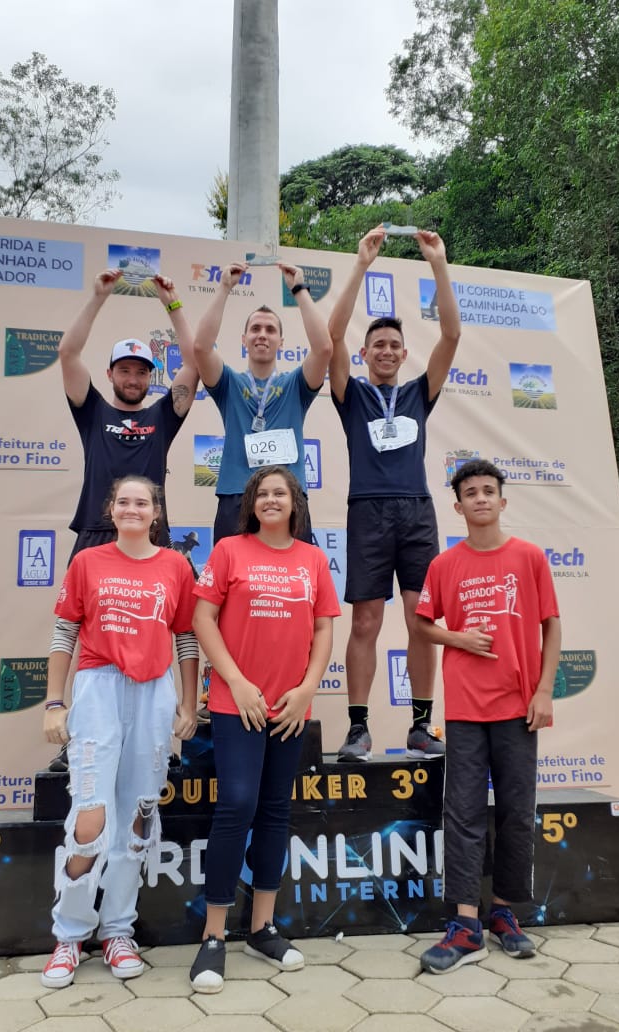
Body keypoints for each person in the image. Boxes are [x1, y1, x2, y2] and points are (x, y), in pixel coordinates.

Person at [40, 474, 199, 989]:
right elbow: (64, 631)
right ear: (111, 510)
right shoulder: (88, 562)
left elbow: (187, 636)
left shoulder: (175, 565)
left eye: (142, 502)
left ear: (156, 513)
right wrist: (54, 702)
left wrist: (188, 702)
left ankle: (117, 931)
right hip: (98, 688)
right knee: (90, 817)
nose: (133, 509)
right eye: (124, 502)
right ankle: (69, 935)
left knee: (138, 817)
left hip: (154, 693)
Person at [188, 466, 340, 993]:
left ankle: (262, 929)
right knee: (236, 805)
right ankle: (213, 937)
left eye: (280, 492)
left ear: (295, 503)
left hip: (289, 707)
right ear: (250, 503)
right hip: (237, 703)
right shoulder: (229, 550)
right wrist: (235, 682)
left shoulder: (312, 559)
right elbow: (202, 619)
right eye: (262, 493)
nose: (271, 499)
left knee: (275, 810)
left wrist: (307, 690)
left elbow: (324, 627)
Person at [415, 459, 561, 974]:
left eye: (487, 491)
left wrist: (544, 692)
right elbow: (423, 624)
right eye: (470, 492)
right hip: (466, 709)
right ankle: (464, 925)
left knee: (517, 812)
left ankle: (504, 912)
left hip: (518, 706)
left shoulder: (529, 557)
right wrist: (457, 637)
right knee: (463, 813)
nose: (479, 498)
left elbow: (551, 626)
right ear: (458, 507)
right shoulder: (443, 564)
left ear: (502, 500)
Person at [328, 225, 462, 761]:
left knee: (421, 621)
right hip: (367, 512)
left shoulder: (418, 394)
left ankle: (422, 725)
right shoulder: (351, 394)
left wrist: (438, 264)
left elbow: (451, 335)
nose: (385, 351)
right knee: (365, 621)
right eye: (377, 345)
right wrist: (361, 264)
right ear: (365, 354)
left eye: (393, 345)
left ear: (404, 354)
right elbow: (331, 336)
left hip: (416, 511)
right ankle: (358, 728)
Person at [59, 269, 198, 561]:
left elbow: (194, 364)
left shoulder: (162, 416)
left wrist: (172, 304)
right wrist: (98, 297)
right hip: (97, 532)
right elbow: (68, 353)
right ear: (109, 374)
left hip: (151, 533)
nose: (133, 379)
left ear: (150, 377)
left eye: (141, 372)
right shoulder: (92, 411)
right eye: (124, 370)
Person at [192, 262, 332, 542]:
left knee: (293, 571)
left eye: (270, 329)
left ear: (281, 341)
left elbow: (324, 348)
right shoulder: (229, 382)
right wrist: (224, 288)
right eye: (255, 328)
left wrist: (299, 289)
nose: (262, 334)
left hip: (288, 494)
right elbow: (201, 348)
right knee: (232, 571)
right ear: (244, 339)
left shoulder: (296, 385)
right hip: (237, 494)